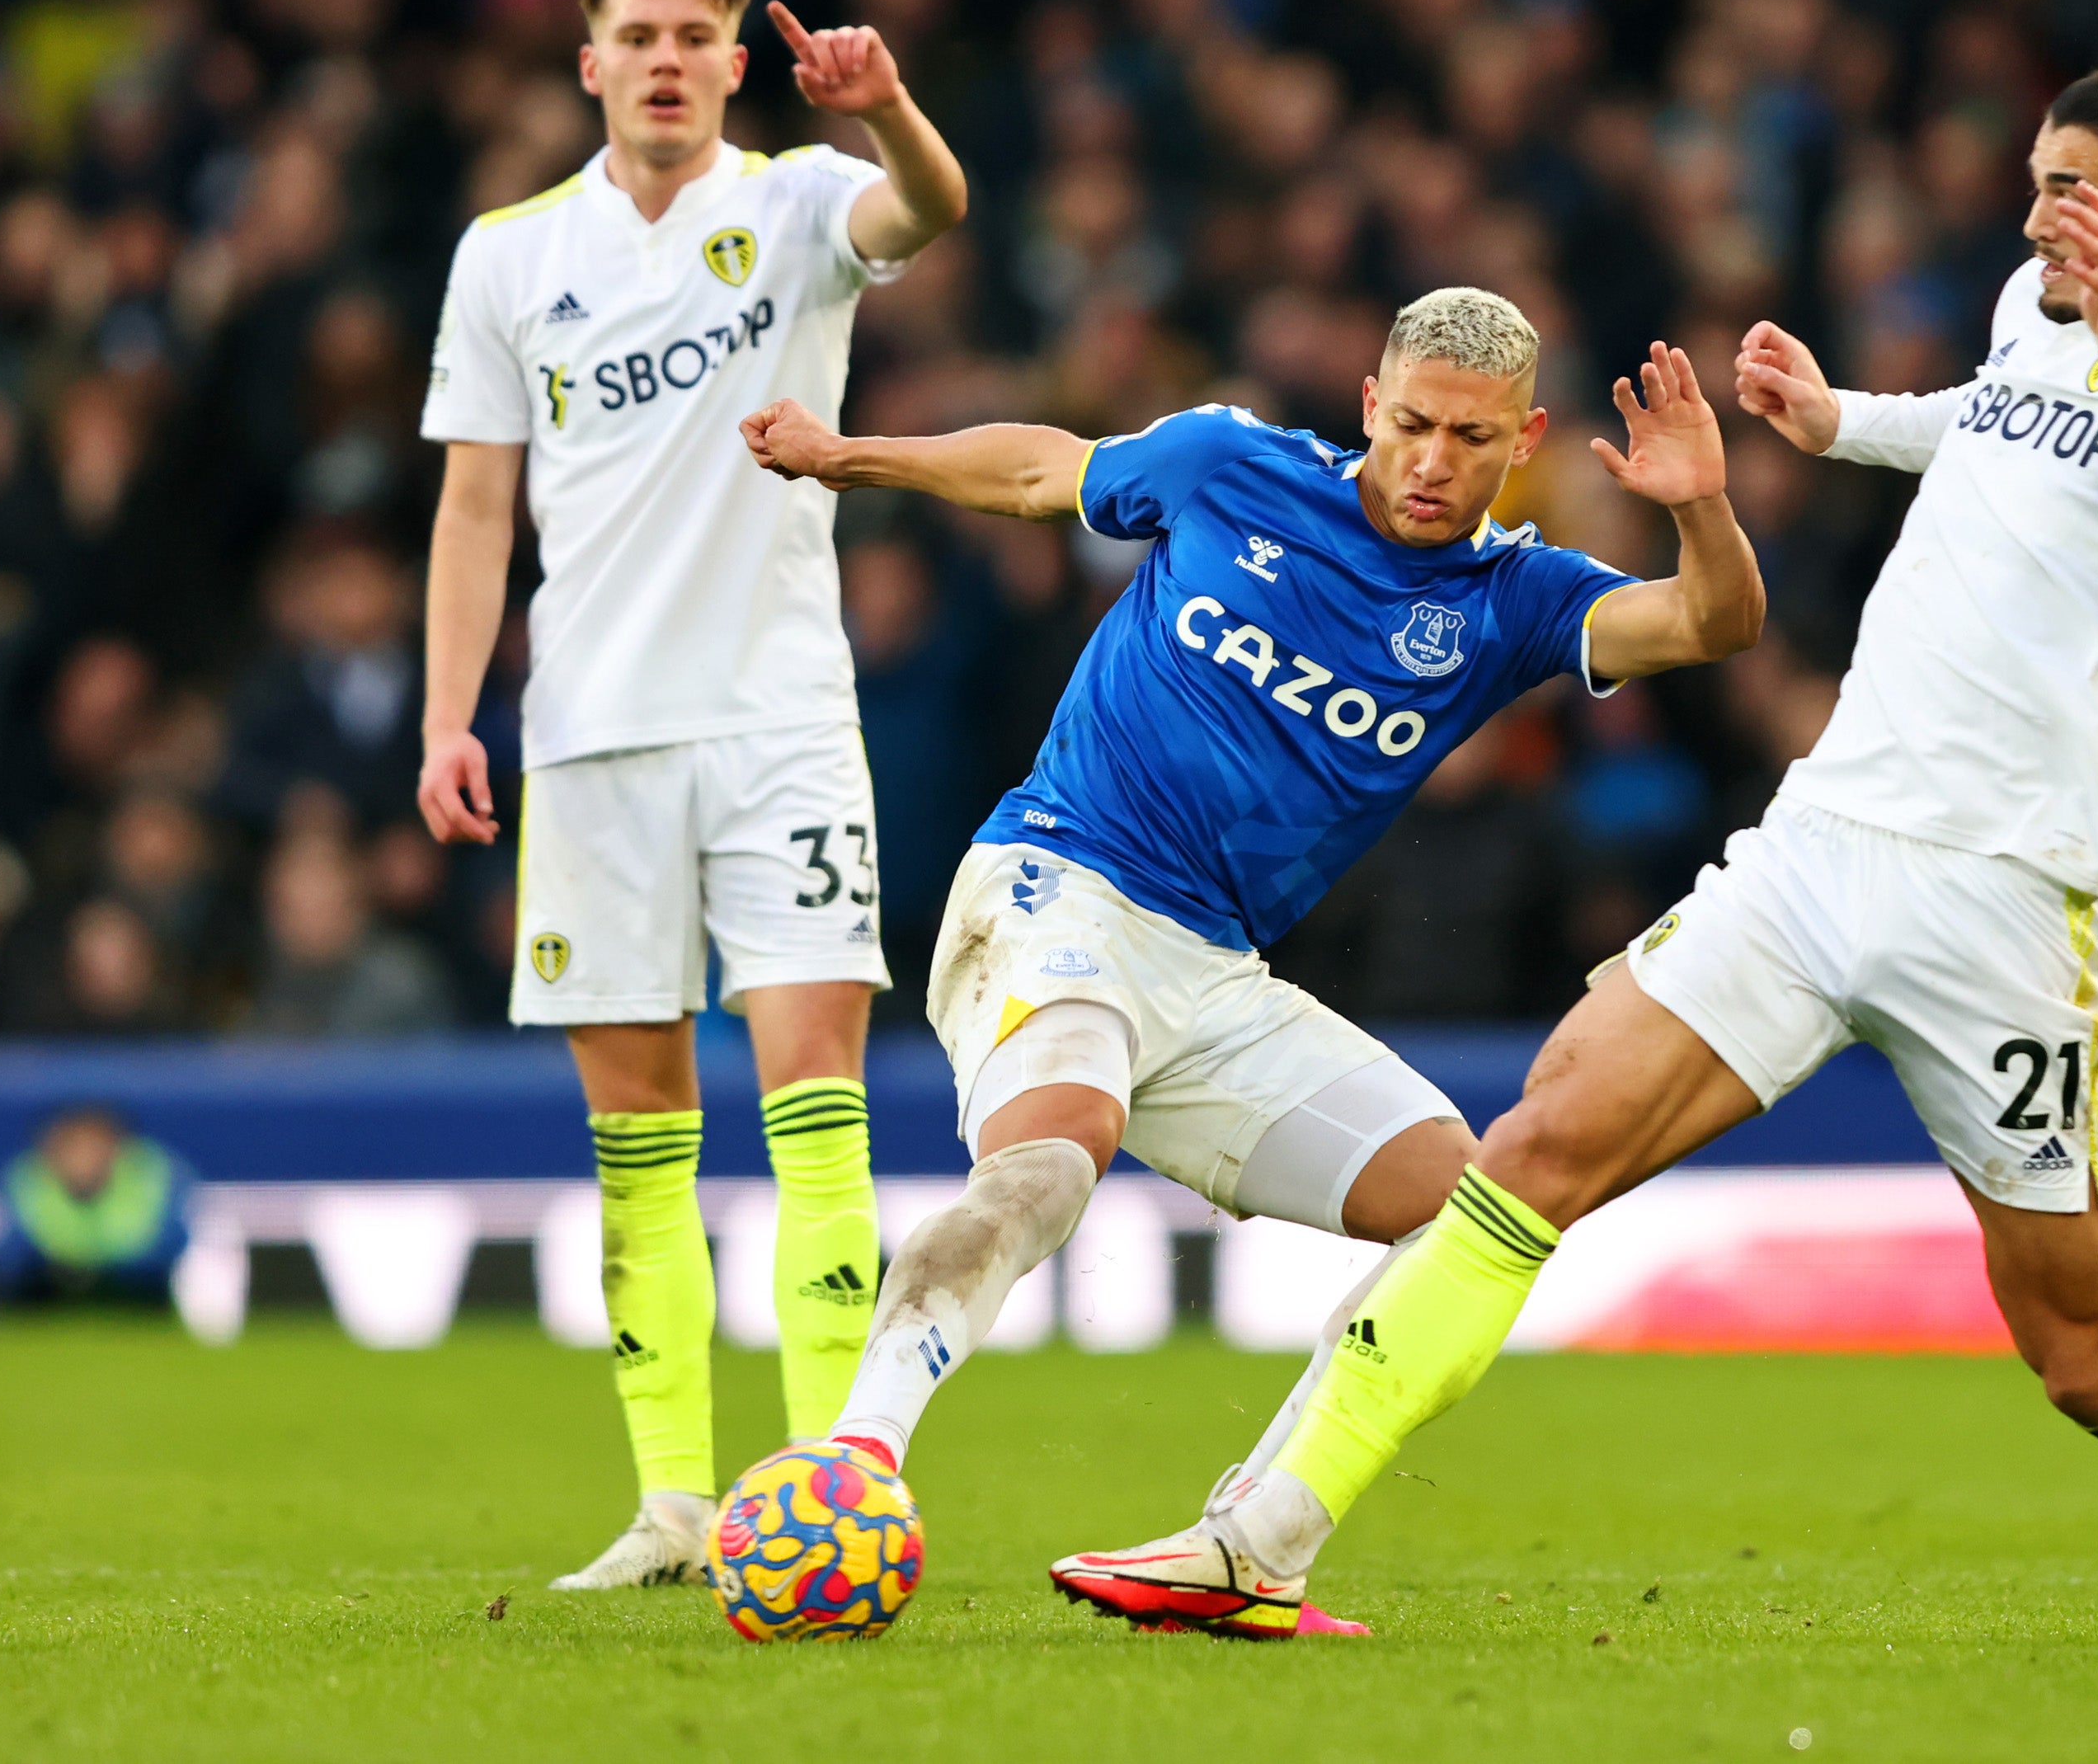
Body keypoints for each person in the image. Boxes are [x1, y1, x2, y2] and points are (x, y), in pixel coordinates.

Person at [1058, 64, 2098, 1648]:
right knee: (1537, 1147)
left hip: (2003, 890)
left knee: (2090, 1356)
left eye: (2070, 185)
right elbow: (1995, 435)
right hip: (1823, 838)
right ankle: (1263, 1536)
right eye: (2037, 177)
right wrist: (1841, 421)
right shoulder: (2030, 311)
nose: (2035, 210)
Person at [737, 286, 1762, 1635]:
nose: (1433, 462)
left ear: (1525, 440)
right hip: (1060, 882)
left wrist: (1700, 505)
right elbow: (1047, 467)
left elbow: (1711, 625)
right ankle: (860, 1454)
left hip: (1215, 972)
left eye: (1470, 436)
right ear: (1368, 407)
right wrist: (849, 453)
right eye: (1411, 424)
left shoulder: (1513, 596)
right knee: (1047, 1162)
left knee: (1472, 1213)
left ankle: (1248, 1540)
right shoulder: (1230, 466)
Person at [413, 0, 967, 1589]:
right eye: (636, 37)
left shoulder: (797, 203)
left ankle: (828, 1485)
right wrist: (446, 714)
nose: (664, 62)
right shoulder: (509, 253)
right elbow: (474, 501)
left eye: (691, 39)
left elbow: (931, 209)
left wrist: (883, 107)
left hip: (781, 721)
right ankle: (671, 1505)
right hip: (588, 738)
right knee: (637, 1141)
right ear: (590, 63)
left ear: (736, 64)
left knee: (819, 1110)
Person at [0, 1105, 193, 1305]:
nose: (85, 1156)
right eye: (74, 1145)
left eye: (96, 1142)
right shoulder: (25, 1181)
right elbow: (11, 1261)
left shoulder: (153, 1178)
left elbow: (168, 1252)